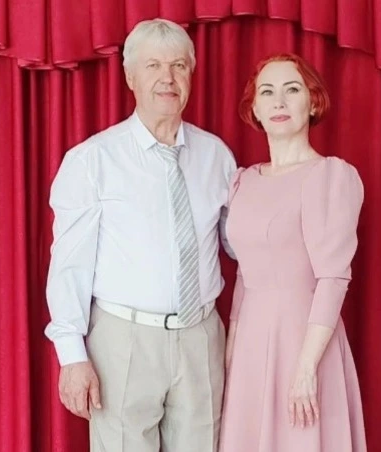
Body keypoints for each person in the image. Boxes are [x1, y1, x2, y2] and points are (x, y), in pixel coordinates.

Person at [44, 18, 237, 452]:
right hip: (124, 340)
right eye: (153, 66)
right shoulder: (93, 160)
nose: (167, 78)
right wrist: (72, 355)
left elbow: (238, 243)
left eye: (178, 66)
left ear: (191, 74)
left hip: (201, 335)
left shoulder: (217, 156)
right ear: (130, 77)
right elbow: (70, 265)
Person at [219, 53, 367, 451]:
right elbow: (245, 273)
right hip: (251, 343)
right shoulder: (243, 182)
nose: (279, 102)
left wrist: (306, 367)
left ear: (313, 102)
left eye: (292, 89)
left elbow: (333, 278)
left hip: (305, 340)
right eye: (267, 92)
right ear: (255, 109)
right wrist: (232, 350)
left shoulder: (329, 176)